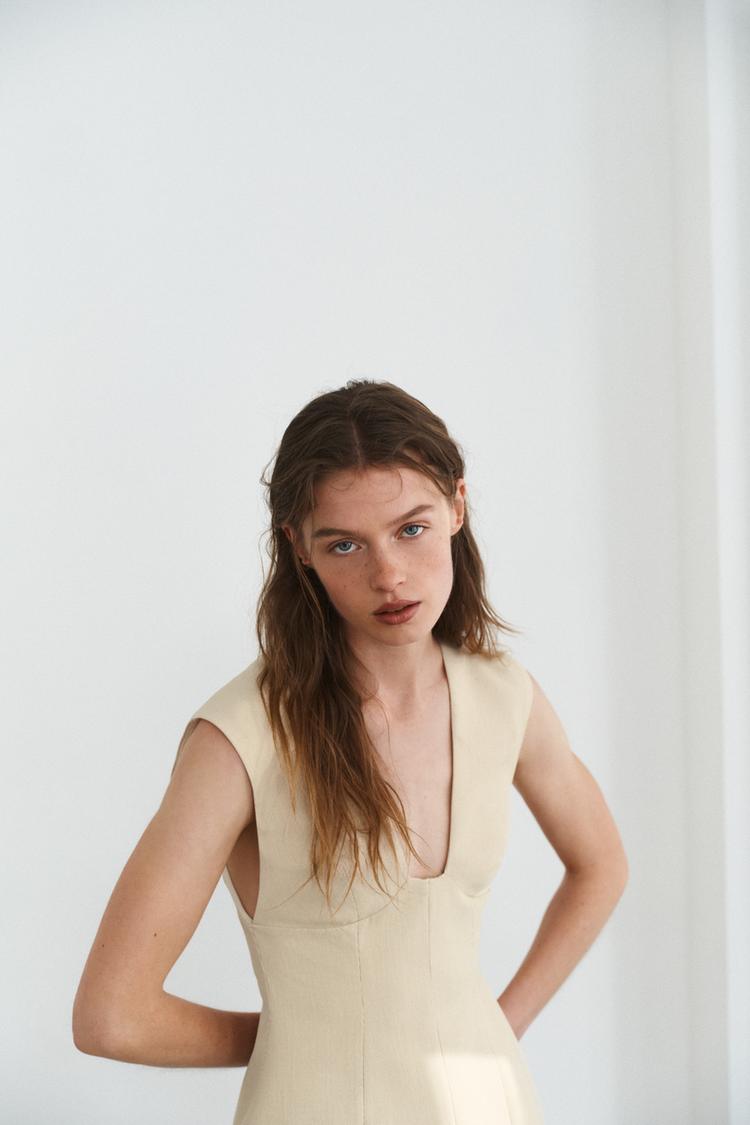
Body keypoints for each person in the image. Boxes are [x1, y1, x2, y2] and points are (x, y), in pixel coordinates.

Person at [72, 378, 629, 1123]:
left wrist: (501, 1023)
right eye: (344, 543)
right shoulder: (240, 739)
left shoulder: (504, 695)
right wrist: (303, 1037)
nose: (387, 574)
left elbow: (602, 865)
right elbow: (112, 1015)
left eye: (411, 529)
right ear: (297, 547)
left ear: (457, 506)